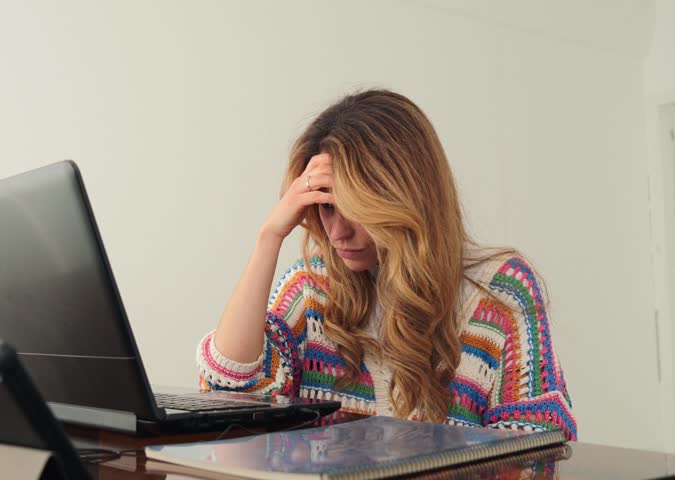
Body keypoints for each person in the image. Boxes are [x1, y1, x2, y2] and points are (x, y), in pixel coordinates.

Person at [196, 89, 576, 441]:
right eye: (327, 207)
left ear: (403, 198)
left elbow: (538, 446)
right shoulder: (312, 287)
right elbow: (228, 389)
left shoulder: (500, 291)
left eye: (355, 208)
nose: (338, 233)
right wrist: (269, 238)